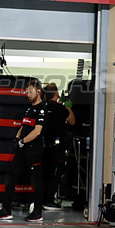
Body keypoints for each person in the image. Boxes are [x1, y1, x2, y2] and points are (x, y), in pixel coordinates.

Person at [0, 79, 49, 222]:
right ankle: (6, 209)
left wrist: (23, 141)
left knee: (36, 181)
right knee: (10, 176)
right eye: (26, 92)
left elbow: (37, 131)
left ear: (38, 92)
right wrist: (17, 139)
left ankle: (38, 211)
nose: (28, 95)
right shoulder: (29, 109)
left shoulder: (42, 110)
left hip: (34, 150)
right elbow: (24, 126)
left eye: (30, 92)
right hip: (22, 150)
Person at [42, 82, 75, 210]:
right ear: (56, 94)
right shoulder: (60, 108)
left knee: (44, 172)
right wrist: (68, 107)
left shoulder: (42, 106)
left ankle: (43, 199)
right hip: (57, 146)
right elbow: (72, 121)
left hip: (43, 144)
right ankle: (49, 200)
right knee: (56, 172)